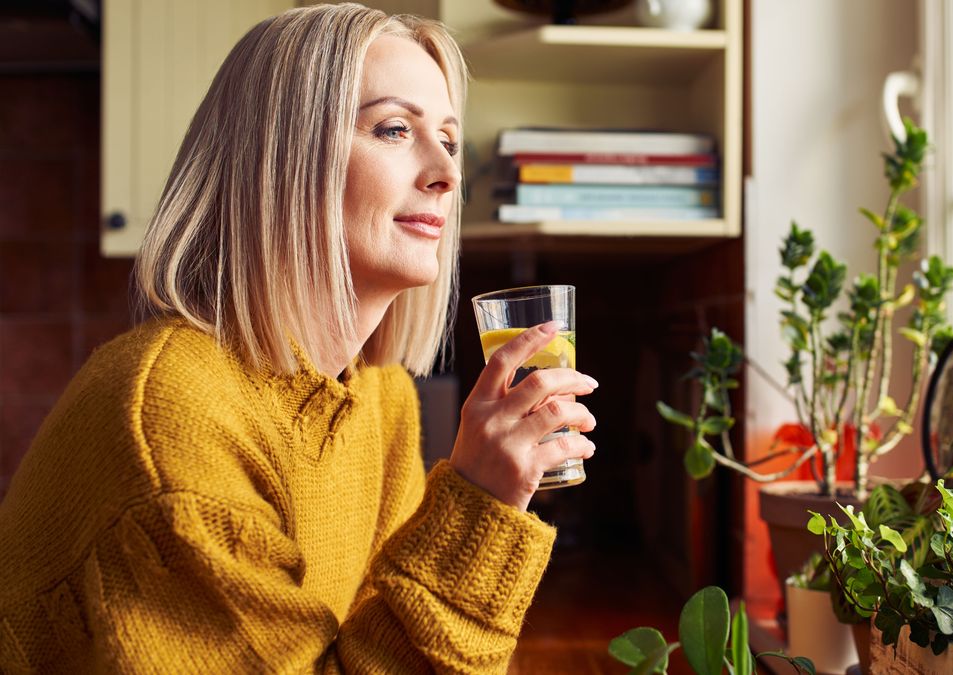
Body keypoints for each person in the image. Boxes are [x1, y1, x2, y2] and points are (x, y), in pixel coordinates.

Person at [0, 4, 598, 672]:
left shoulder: (380, 398)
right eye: (395, 128)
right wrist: (478, 510)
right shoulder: (174, 418)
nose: (447, 173)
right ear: (280, 158)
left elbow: (378, 645)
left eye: (451, 141)